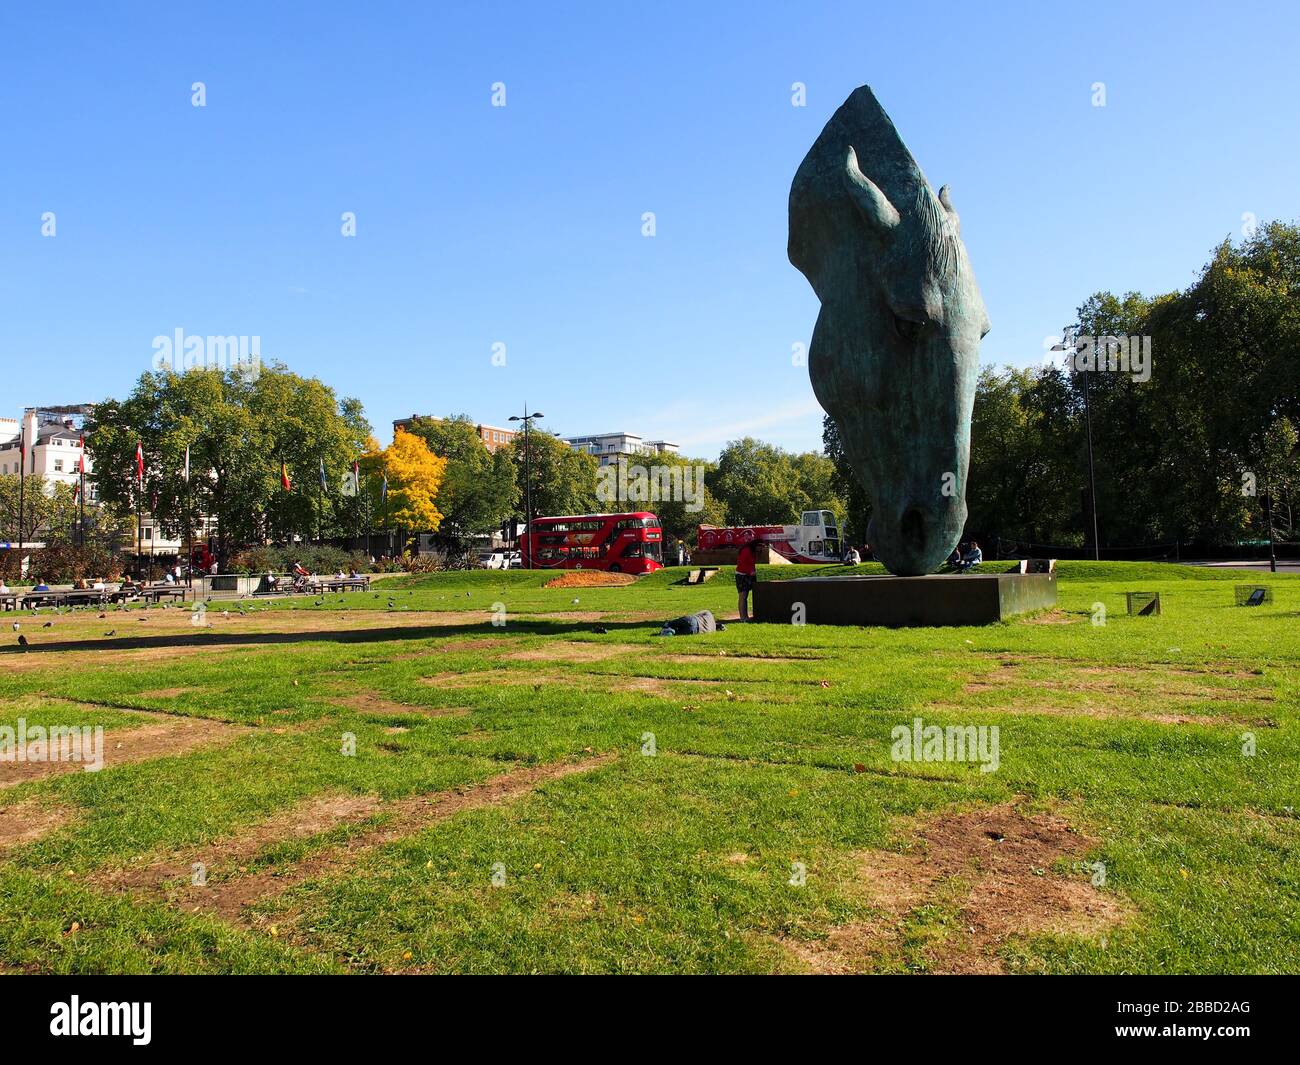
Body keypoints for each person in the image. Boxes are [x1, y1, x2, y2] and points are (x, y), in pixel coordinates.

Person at [735, 539, 758, 622]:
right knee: (742, 596)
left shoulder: (752, 551)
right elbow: (742, 563)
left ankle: (746, 616)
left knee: (745, 596)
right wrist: (750, 572)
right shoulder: (746, 550)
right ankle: (742, 617)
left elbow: (752, 564)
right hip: (741, 575)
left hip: (748, 575)